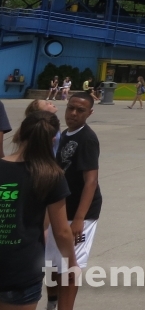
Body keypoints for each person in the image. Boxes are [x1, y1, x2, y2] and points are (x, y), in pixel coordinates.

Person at [0, 111, 77, 310]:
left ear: (18, 134)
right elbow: (61, 231)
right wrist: (71, 261)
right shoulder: (51, 175)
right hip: (21, 271)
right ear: (53, 141)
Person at [43, 93, 102, 310]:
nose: (74, 114)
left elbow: (91, 180)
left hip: (81, 212)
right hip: (59, 209)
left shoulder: (87, 138)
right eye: (71, 108)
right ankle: (52, 303)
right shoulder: (62, 135)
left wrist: (79, 219)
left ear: (90, 113)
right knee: (50, 263)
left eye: (81, 110)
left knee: (69, 266)